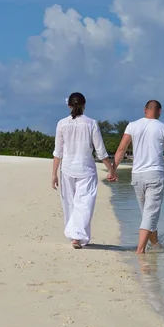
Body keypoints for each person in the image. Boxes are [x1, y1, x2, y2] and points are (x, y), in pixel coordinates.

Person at [114, 99, 164, 254]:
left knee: (148, 213)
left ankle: (155, 245)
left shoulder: (132, 125)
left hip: (137, 175)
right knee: (150, 213)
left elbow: (121, 149)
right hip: (154, 174)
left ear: (145, 110)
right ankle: (140, 250)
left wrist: (112, 170)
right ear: (160, 112)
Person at [52, 92, 117, 249]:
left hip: (67, 169)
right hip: (86, 169)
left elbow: (58, 152)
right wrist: (111, 170)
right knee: (84, 204)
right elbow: (100, 151)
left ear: (69, 106)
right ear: (84, 105)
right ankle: (77, 236)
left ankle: (76, 235)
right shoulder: (91, 123)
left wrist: (54, 174)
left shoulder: (62, 123)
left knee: (69, 203)